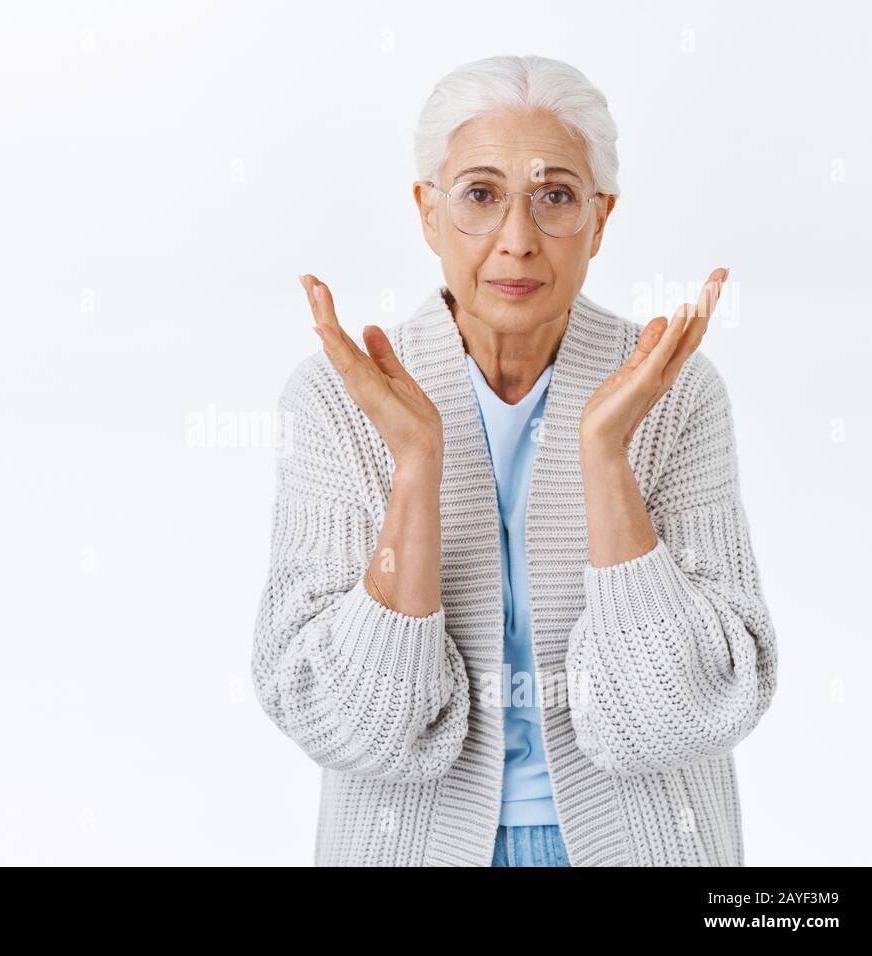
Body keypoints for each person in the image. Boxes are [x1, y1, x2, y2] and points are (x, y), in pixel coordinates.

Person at [250, 54, 778, 866]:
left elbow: (695, 709)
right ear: (429, 213)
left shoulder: (675, 392)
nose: (518, 241)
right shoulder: (336, 401)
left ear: (600, 219)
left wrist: (604, 457)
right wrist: (417, 473)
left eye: (555, 196)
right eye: (481, 195)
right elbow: (342, 721)